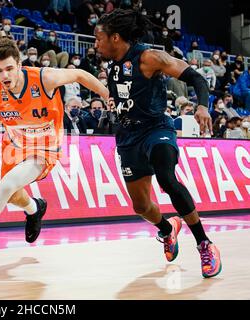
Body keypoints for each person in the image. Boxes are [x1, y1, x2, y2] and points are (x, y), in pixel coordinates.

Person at [0, 38, 109, 261]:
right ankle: (34, 208)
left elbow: (80, 75)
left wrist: (109, 97)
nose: (5, 75)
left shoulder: (44, 78)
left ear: (19, 64)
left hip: (45, 148)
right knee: (11, 195)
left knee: (6, 185)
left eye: (9, 68)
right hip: (15, 144)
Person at [96, 9, 221, 278]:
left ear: (115, 38)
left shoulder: (149, 57)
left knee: (166, 176)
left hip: (156, 129)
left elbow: (196, 78)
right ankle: (167, 229)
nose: (96, 44)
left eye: (99, 38)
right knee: (141, 206)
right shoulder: (113, 65)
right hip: (128, 138)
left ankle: (204, 243)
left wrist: (202, 106)